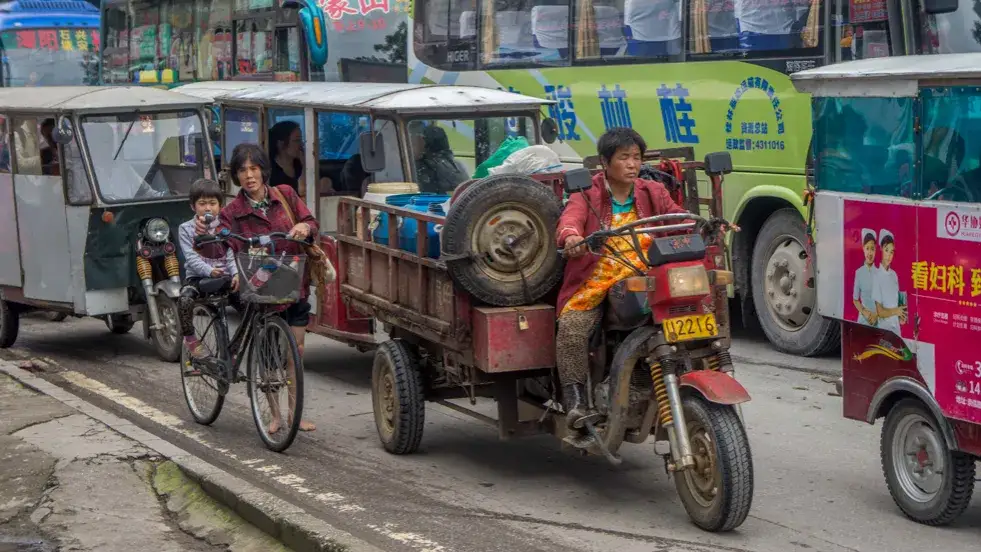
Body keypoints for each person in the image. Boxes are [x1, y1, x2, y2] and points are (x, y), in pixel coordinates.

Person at [554, 127, 689, 431]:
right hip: (597, 276)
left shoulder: (652, 191)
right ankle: (576, 402)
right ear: (605, 161)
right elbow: (570, 220)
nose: (632, 164)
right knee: (572, 328)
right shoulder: (587, 193)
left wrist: (702, 226)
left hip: (645, 274)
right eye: (624, 157)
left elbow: (677, 217)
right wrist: (572, 237)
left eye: (636, 157)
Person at [195, 143, 319, 434]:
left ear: (264, 170)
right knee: (266, 357)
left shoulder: (285, 195)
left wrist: (304, 228)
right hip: (260, 290)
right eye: (242, 170)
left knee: (295, 353)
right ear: (236, 176)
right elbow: (215, 250)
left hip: (293, 283)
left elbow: (311, 222)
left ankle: (295, 415)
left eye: (253, 169)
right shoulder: (231, 212)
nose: (249, 175)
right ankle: (275, 416)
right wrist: (203, 235)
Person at [178, 178, 239, 359]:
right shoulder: (186, 229)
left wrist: (235, 274)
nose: (207, 208)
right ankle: (191, 341)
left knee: (251, 304)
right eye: (202, 203)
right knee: (184, 300)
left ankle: (236, 346)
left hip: (225, 278)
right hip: (198, 278)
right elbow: (191, 257)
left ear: (220, 206)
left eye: (212, 203)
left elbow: (231, 254)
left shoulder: (225, 227)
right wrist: (209, 271)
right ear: (193, 206)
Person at [411, 125, 468, 194]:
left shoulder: (425, 167)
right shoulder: (456, 164)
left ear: (426, 142)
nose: (411, 145)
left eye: (415, 142)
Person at [872, 229, 906, 336]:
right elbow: (880, 312)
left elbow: (899, 303)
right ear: (881, 249)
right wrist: (896, 311)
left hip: (896, 330)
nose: (889, 256)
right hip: (884, 331)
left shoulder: (894, 275)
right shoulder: (876, 276)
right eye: (887, 250)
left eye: (892, 252)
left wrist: (902, 317)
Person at [268, 121, 305, 197]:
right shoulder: (270, 170)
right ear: (280, 143)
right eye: (297, 140)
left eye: (301, 140)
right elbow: (303, 191)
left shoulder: (298, 164)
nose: (301, 145)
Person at [853, 229, 878, 326]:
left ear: (875, 250)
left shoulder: (880, 273)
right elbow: (855, 299)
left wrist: (876, 315)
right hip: (863, 319)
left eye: (872, 249)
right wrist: (864, 312)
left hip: (879, 320)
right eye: (867, 248)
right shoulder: (858, 273)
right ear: (863, 249)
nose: (870, 253)